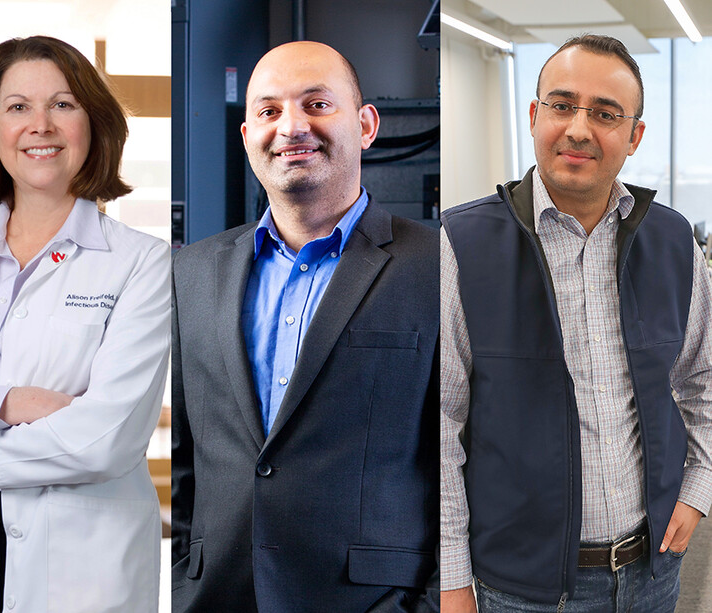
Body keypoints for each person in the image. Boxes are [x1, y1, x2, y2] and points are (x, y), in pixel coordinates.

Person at [0, 36, 170, 613]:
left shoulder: (144, 262)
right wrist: (14, 403)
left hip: (79, 568)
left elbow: (107, 437)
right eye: (17, 107)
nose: (39, 125)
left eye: (63, 105)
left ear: (93, 125)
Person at [440, 34, 712, 612]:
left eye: (606, 113)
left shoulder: (672, 241)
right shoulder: (460, 245)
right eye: (562, 105)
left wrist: (697, 490)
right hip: (518, 589)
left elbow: (702, 379)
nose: (579, 129)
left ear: (634, 136)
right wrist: (454, 583)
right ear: (535, 116)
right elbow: (439, 429)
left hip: (651, 574)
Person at [171, 41, 440, 612]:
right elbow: (187, 459)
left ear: (366, 125)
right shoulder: (191, 272)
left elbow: (472, 461)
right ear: (247, 137)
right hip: (220, 597)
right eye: (269, 111)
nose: (292, 127)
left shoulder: (440, 266)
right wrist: (182, 582)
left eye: (317, 104)